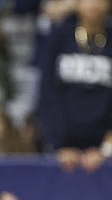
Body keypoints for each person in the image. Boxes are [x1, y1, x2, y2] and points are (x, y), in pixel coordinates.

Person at [36, 0, 112, 172]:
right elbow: (47, 92)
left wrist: (106, 148)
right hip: (63, 146)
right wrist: (59, 144)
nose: (94, 4)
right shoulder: (58, 37)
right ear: (76, 3)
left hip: (105, 148)